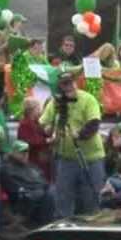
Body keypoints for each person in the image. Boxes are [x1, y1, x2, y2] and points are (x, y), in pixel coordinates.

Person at [39, 72, 105, 218]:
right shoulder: (56, 102)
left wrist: (80, 135)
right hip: (66, 158)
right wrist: (48, 131)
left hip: (91, 157)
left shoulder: (88, 99)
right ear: (60, 86)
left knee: (91, 197)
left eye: (70, 83)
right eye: (64, 84)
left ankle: (92, 230)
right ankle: (64, 229)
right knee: (63, 197)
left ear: (75, 83)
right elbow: (43, 122)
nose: (68, 87)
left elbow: (94, 123)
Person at [0, 141, 55, 229]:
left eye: (27, 152)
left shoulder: (31, 166)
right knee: (48, 194)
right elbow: (14, 188)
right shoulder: (6, 169)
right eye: (22, 152)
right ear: (13, 152)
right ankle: (46, 225)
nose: (25, 154)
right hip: (22, 197)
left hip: (40, 192)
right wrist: (38, 188)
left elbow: (43, 180)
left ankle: (48, 224)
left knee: (53, 191)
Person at [17, 98, 52, 180]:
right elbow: (30, 142)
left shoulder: (35, 122)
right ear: (32, 110)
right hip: (33, 159)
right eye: (38, 108)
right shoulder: (25, 123)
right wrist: (47, 140)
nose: (40, 110)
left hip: (41, 159)